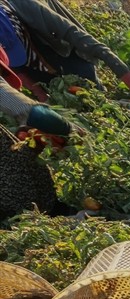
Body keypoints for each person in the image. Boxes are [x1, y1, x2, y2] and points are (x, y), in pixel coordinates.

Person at [0, 0, 130, 101]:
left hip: (61, 49)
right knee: (68, 101)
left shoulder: (28, 6)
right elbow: (16, 71)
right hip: (37, 70)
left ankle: (104, 98)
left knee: (93, 90)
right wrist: (41, 97)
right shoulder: (4, 49)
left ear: (19, 27)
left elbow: (81, 39)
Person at [1, 42, 64, 218]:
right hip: (16, 208)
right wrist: (67, 128)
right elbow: (30, 110)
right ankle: (33, 216)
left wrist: (23, 133)